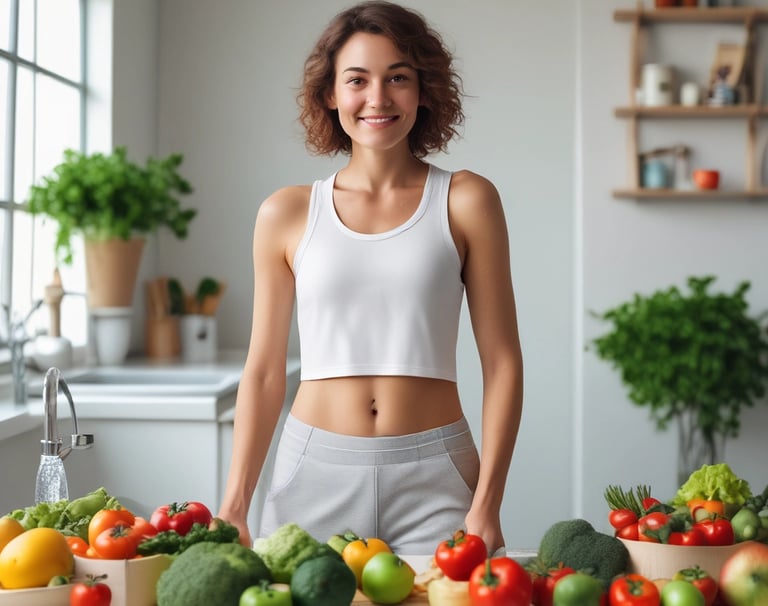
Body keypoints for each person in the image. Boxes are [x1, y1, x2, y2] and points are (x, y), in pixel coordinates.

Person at [218, 0, 523, 556]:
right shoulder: (285, 213)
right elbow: (263, 371)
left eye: (398, 78)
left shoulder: (467, 200)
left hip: (438, 475)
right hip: (311, 474)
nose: (378, 99)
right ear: (330, 94)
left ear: (424, 91)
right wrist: (234, 504)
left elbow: (502, 362)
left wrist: (487, 502)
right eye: (357, 80)